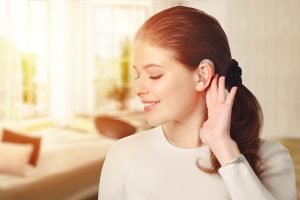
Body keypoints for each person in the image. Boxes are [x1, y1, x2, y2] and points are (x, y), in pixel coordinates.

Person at [98, 6, 296, 200]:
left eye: (154, 75)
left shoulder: (270, 159)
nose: (138, 89)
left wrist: (223, 146)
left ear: (202, 75)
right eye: (138, 74)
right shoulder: (123, 155)